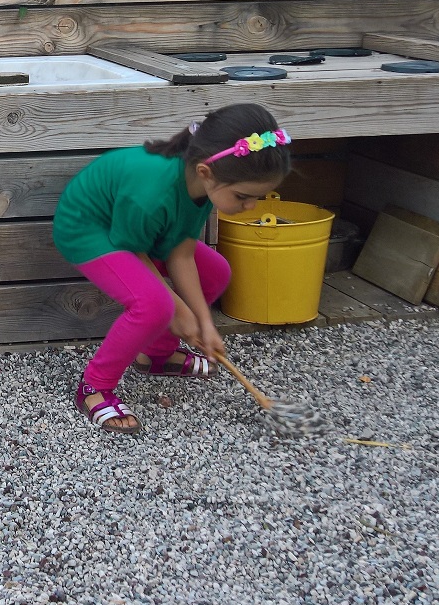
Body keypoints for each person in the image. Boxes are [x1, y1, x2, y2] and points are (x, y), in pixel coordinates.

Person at [51, 103, 291, 434]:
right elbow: (135, 252)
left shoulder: (203, 184)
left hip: (138, 229)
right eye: (243, 197)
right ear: (206, 172)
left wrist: (204, 322)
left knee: (216, 272)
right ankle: (95, 386)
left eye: (257, 197)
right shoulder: (153, 191)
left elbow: (181, 254)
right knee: (154, 304)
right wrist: (178, 311)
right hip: (88, 230)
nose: (250, 207)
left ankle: (157, 355)